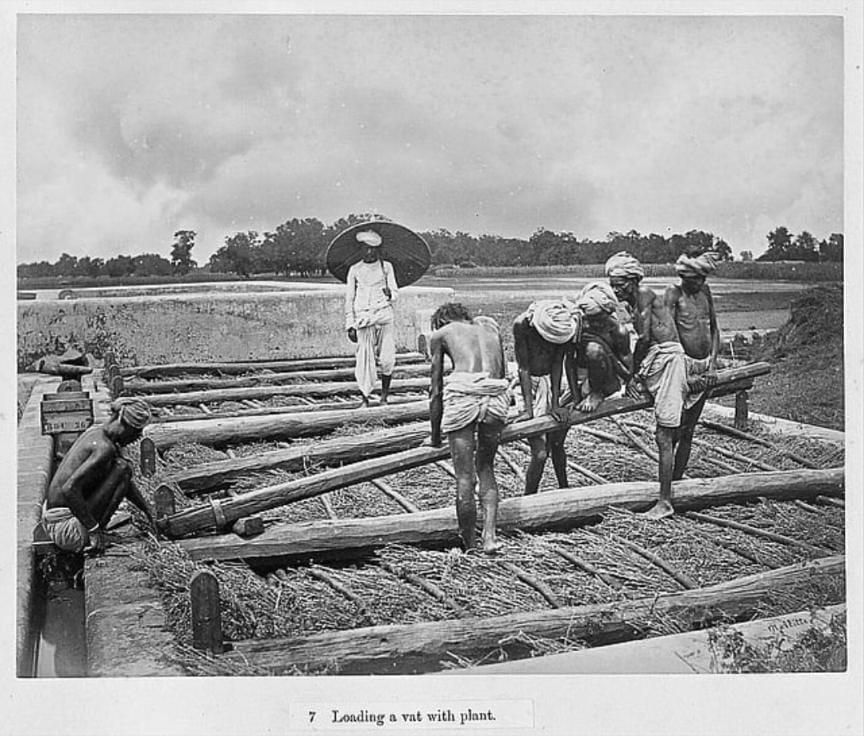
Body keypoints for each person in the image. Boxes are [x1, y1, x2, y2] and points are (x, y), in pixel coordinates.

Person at [605, 251, 710, 520]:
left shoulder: (644, 295)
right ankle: (671, 488)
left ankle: (665, 501)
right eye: (612, 285)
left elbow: (643, 339)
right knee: (670, 432)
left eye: (620, 284)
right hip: (660, 359)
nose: (616, 290)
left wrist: (633, 376)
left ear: (633, 281)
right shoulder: (632, 301)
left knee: (664, 435)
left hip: (668, 360)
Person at [428, 302, 511, 554]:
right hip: (496, 396)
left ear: (441, 321)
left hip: (464, 395)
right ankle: (490, 537)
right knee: (486, 467)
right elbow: (504, 374)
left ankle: (470, 546)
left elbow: (436, 390)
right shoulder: (491, 329)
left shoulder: (441, 334)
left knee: (464, 477)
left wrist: (435, 437)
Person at [42, 397, 157, 553]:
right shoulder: (104, 448)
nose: (139, 436)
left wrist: (148, 510)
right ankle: (98, 533)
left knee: (122, 469)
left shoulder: (96, 432)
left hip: (54, 521)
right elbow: (68, 489)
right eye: (136, 431)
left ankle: (96, 530)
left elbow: (125, 483)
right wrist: (93, 530)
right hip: (67, 530)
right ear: (123, 424)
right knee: (122, 467)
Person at [512, 299, 580, 495]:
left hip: (550, 383)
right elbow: (524, 368)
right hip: (529, 385)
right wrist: (529, 410)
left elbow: (557, 364)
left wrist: (555, 403)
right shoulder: (522, 324)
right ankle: (529, 497)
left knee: (557, 444)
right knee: (540, 454)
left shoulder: (562, 328)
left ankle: (564, 490)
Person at [665, 251, 721, 479]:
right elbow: (669, 336)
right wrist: (683, 374)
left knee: (689, 429)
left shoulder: (705, 291)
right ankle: (666, 480)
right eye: (696, 278)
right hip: (681, 365)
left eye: (703, 278)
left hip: (704, 365)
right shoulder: (673, 293)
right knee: (673, 429)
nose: (700, 282)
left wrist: (713, 364)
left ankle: (677, 480)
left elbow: (714, 328)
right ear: (685, 276)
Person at [344, 229, 399, 407]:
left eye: (372, 249)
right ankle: (365, 398)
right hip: (363, 317)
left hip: (384, 315)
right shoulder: (355, 269)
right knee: (364, 358)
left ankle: (384, 397)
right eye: (365, 248)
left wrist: (390, 294)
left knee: (387, 358)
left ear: (378, 250)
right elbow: (349, 298)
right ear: (360, 250)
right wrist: (350, 324)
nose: (369, 252)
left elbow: (395, 292)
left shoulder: (386, 267)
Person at [572, 281, 634, 413]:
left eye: (599, 319)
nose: (595, 324)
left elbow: (627, 373)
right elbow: (569, 362)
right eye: (591, 319)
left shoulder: (618, 331)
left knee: (594, 349)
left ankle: (596, 393)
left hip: (608, 381)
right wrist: (574, 394)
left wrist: (604, 347)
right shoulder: (580, 325)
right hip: (583, 377)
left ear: (608, 313)